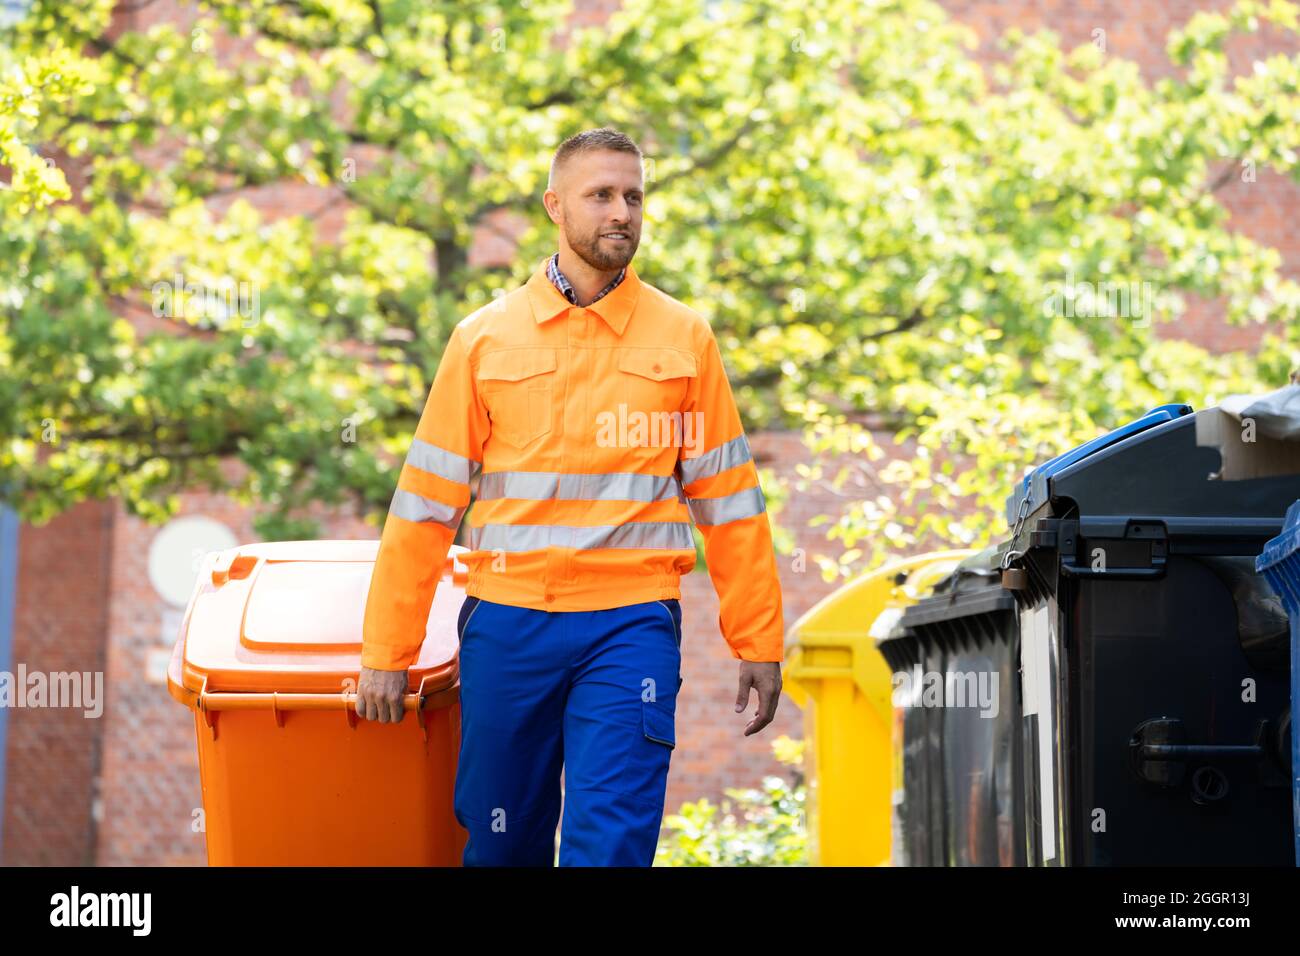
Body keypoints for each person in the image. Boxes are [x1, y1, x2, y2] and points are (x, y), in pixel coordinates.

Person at [356, 127, 785, 866]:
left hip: (630, 628)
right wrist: (384, 651)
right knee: (499, 842)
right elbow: (425, 505)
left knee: (610, 842)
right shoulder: (483, 339)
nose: (622, 212)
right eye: (602, 195)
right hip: (507, 623)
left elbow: (730, 501)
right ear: (555, 205)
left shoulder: (684, 338)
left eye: (634, 196)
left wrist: (759, 638)